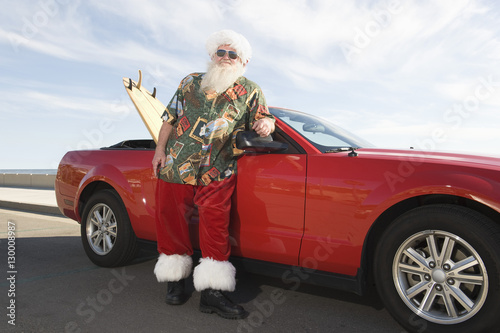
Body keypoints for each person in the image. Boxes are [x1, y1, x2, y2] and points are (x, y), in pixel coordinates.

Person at [151, 29, 275, 319]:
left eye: (233, 54)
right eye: (221, 52)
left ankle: (212, 293)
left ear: (243, 62)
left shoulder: (251, 90)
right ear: (212, 55)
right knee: (171, 221)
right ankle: (175, 283)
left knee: (215, 227)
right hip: (176, 165)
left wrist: (266, 125)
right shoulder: (189, 82)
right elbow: (169, 119)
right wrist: (159, 151)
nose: (226, 58)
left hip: (218, 168)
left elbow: (265, 118)